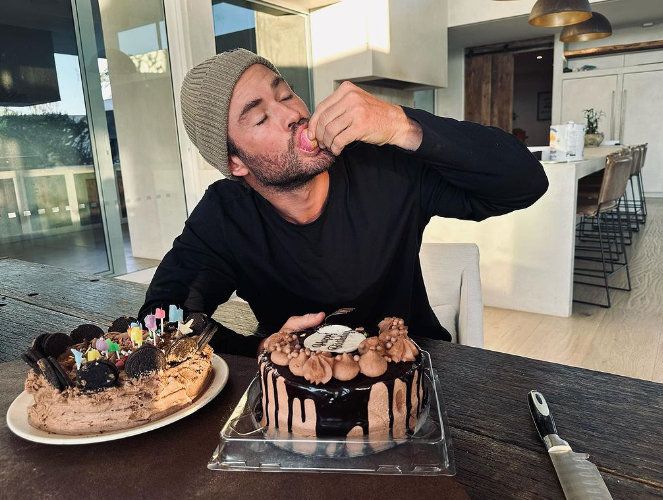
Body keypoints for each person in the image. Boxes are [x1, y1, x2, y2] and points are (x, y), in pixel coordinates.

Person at [139, 49, 548, 356]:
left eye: (286, 94)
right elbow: (162, 318)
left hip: (415, 366)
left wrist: (400, 125)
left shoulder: (382, 166)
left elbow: (524, 183)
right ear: (234, 162)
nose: (292, 114)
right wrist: (261, 350)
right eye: (261, 118)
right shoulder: (226, 213)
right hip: (299, 394)